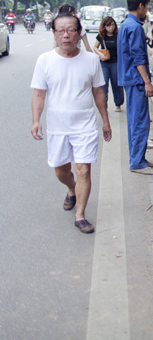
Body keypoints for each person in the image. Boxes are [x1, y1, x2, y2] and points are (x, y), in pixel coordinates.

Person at [30, 12, 112, 234]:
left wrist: (105, 121)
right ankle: (71, 189)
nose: (66, 35)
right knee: (61, 171)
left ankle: (81, 215)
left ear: (78, 33)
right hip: (58, 126)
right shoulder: (45, 60)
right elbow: (39, 94)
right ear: (55, 34)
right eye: (61, 31)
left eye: (70, 30)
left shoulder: (91, 60)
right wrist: (36, 121)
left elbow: (98, 92)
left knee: (83, 169)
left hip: (85, 125)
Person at [117, 0, 153, 174]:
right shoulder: (135, 28)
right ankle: (137, 162)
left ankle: (139, 158)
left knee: (135, 120)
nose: (146, 10)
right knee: (140, 121)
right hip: (136, 80)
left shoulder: (127, 25)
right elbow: (138, 57)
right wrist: (147, 81)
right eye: (146, 6)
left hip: (129, 79)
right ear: (140, 6)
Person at [93, 16, 124, 112]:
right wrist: (100, 54)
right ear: (104, 26)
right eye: (109, 25)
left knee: (116, 84)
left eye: (113, 25)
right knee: (104, 84)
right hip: (104, 63)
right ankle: (104, 105)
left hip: (115, 62)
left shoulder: (118, 35)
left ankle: (118, 104)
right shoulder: (101, 36)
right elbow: (95, 47)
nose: (111, 27)